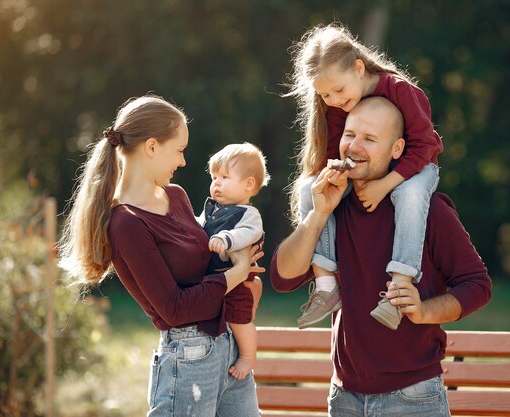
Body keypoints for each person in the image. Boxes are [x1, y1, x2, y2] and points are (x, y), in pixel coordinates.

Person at [270, 96, 492, 416]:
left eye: (370, 139)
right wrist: (317, 215)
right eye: (350, 135)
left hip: (413, 397)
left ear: (397, 150)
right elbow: (283, 277)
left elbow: (477, 285)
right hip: (344, 396)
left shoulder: (430, 211)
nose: (354, 147)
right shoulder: (333, 207)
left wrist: (424, 310)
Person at [58, 95, 262, 417]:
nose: (182, 161)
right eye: (179, 150)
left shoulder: (176, 196)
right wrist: (238, 271)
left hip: (229, 347)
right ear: (152, 147)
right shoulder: (126, 223)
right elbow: (175, 309)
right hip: (189, 357)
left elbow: (206, 261)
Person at [285, 23, 443, 330]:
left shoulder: (400, 90)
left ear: (358, 68)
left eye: (338, 90)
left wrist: (384, 185)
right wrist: (335, 174)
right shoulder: (334, 105)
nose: (333, 99)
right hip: (363, 171)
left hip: (416, 168)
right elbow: (336, 151)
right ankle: (327, 286)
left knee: (408, 195)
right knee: (308, 190)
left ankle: (398, 289)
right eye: (324, 94)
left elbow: (424, 146)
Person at [199, 142, 270, 380]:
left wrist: (226, 238)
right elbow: (199, 228)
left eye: (225, 177)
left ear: (249, 184)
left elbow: (249, 234)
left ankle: (248, 357)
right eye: (214, 177)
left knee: (238, 318)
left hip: (239, 281)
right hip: (217, 276)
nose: (217, 182)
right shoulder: (212, 209)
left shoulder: (248, 214)